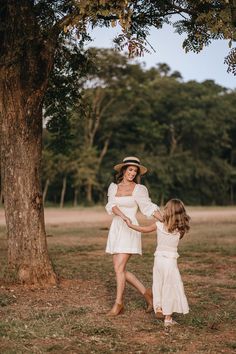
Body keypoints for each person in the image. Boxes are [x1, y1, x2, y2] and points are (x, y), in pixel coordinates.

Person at [105, 156, 162, 316]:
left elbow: (148, 207)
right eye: (130, 169)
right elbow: (111, 205)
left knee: (119, 268)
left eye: (135, 171)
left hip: (130, 228)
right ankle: (147, 294)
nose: (132, 173)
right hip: (117, 227)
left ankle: (119, 304)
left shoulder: (139, 189)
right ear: (123, 170)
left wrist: (164, 219)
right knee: (119, 269)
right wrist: (122, 216)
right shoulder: (113, 187)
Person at [126, 198, 190, 327]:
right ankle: (168, 318)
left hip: (158, 260)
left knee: (158, 283)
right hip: (170, 262)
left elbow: (143, 229)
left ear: (168, 212)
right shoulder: (181, 230)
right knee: (170, 286)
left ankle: (159, 307)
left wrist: (130, 225)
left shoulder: (159, 225)